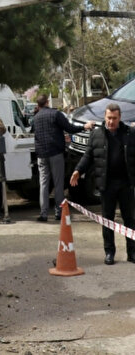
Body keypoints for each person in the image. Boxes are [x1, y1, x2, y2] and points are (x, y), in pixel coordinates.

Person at [70, 103, 135, 265]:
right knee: (108, 219)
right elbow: (88, 156)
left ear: (120, 118)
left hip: (126, 184)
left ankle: (132, 252)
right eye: (109, 118)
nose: (111, 121)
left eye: (114, 118)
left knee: (130, 220)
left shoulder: (130, 133)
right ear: (104, 118)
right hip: (106, 184)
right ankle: (109, 252)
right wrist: (78, 170)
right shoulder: (97, 134)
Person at [31, 93, 72, 222]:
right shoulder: (56, 114)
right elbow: (69, 127)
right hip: (55, 153)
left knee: (44, 184)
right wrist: (85, 126)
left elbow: (32, 131)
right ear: (48, 102)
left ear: (38, 105)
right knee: (58, 184)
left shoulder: (35, 118)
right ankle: (58, 212)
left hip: (41, 155)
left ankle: (43, 214)